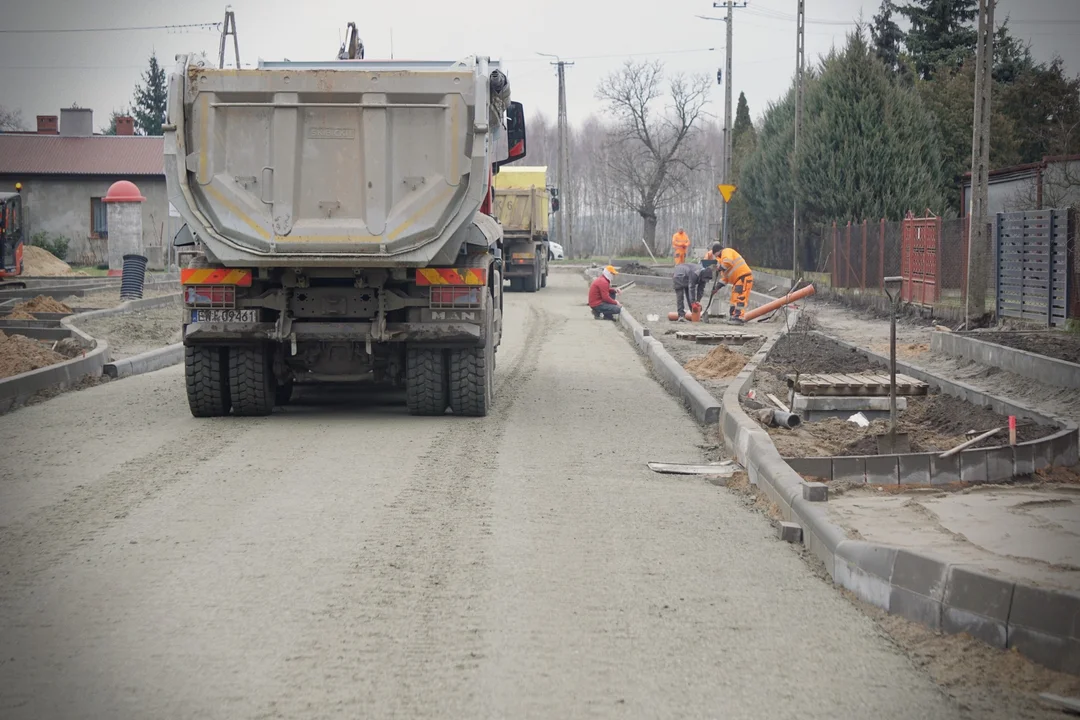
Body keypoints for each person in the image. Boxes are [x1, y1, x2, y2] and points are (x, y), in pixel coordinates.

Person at [714, 246, 754, 323]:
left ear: (717, 252)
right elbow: (725, 279)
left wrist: (720, 268)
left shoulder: (726, 251)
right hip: (738, 280)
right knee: (734, 299)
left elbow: (728, 261)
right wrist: (717, 287)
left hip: (744, 278)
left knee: (740, 298)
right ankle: (733, 316)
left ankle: (739, 317)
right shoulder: (724, 266)